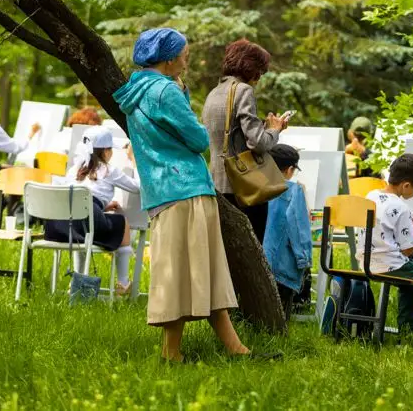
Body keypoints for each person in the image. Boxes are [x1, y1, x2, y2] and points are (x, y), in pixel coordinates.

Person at [113, 28, 277, 363]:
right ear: (170, 57)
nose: (188, 59)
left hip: (160, 189)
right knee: (182, 271)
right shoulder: (165, 91)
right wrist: (184, 102)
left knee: (204, 269)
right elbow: (199, 140)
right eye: (185, 53)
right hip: (185, 186)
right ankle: (171, 353)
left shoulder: (136, 90)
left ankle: (235, 348)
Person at [202, 39, 288, 244]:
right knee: (252, 251)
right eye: (260, 71)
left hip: (217, 184)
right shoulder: (242, 91)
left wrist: (266, 127)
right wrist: (275, 130)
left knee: (228, 252)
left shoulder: (214, 93)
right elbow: (258, 143)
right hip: (244, 186)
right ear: (252, 67)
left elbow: (233, 134)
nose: (259, 78)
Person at [45, 126, 140, 295]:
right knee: (122, 222)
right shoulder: (109, 170)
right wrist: (134, 162)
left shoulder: (74, 170)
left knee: (85, 224)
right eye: (110, 149)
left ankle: (78, 278)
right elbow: (138, 187)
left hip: (61, 224)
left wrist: (102, 206)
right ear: (105, 152)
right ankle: (123, 281)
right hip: (86, 223)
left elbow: (80, 197)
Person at [356, 154, 413, 335]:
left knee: (410, 282)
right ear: (406, 185)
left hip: (368, 262)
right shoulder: (401, 207)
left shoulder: (371, 196)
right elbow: (408, 250)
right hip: (392, 265)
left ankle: (405, 330)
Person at [263, 144, 313, 321]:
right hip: (281, 263)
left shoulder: (254, 185)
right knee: (280, 315)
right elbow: (299, 228)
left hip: (257, 260)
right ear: (290, 169)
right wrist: (304, 258)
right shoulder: (293, 190)